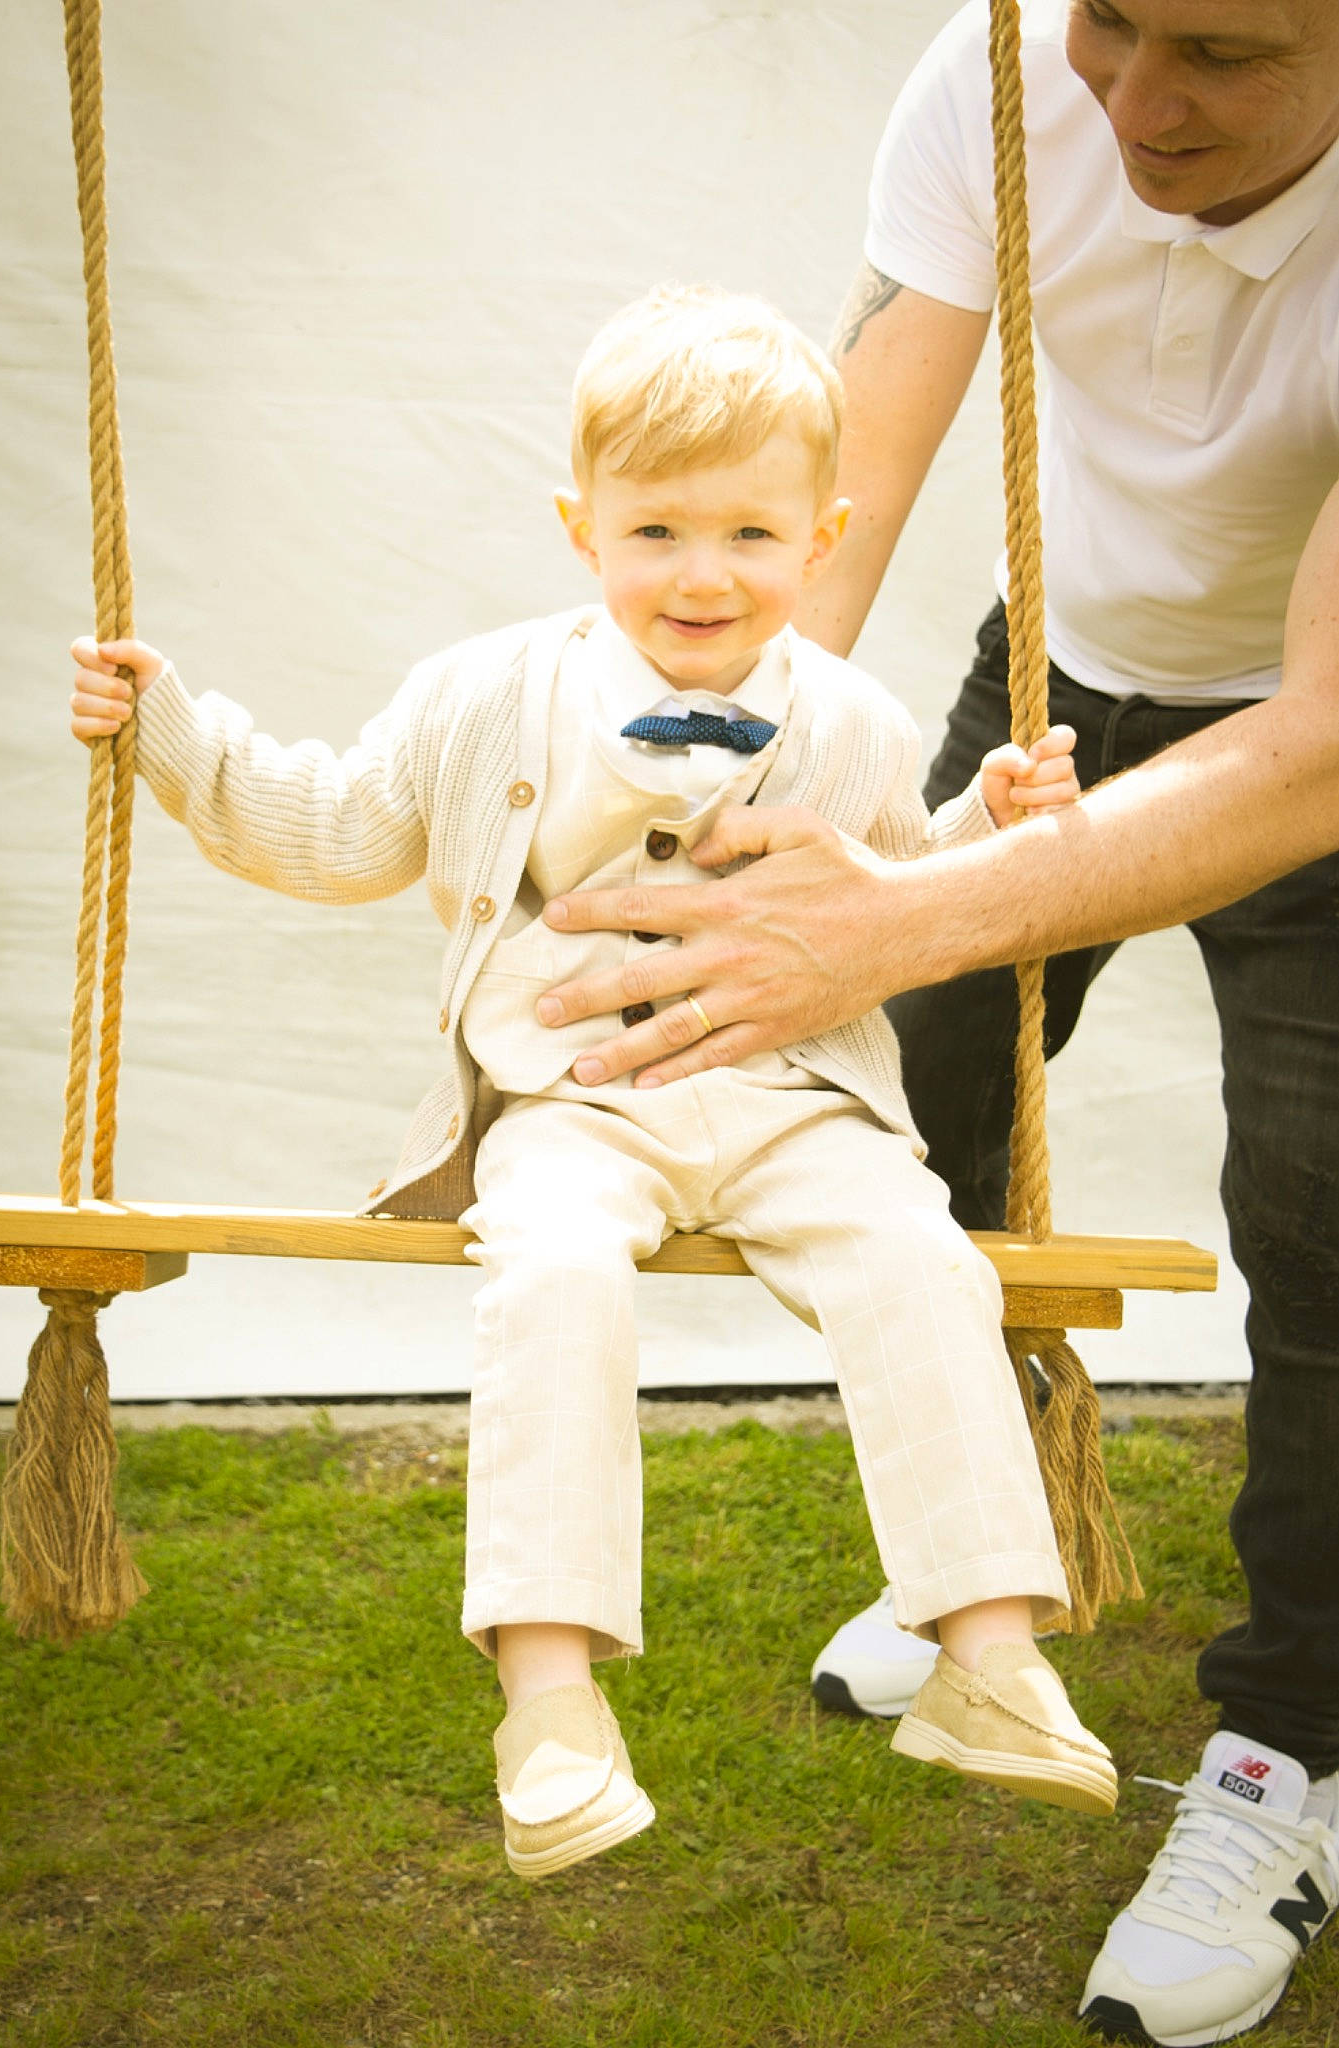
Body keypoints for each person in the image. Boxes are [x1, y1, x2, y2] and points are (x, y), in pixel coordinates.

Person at [520, 5, 1339, 2041]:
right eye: (1114, 20)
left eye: (1223, 54)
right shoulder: (994, 72)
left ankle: (1296, 1752)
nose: (1135, 102)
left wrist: (893, 911)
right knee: (907, 1130)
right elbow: (840, 512)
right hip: (1061, 674)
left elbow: (1322, 742)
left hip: (1306, 745)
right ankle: (977, 1549)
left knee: (1324, 1233)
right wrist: (688, 781)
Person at [68, 285, 1112, 1879]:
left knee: (922, 1259)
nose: (704, 574)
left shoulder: (853, 718)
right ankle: (548, 1705)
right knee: (548, 1273)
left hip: (789, 1098)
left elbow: (904, 902)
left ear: (822, 537)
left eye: (752, 536)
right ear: (582, 527)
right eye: (658, 530)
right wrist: (170, 735)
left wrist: (988, 817)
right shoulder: (487, 690)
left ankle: (986, 1660)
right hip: (572, 1097)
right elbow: (336, 829)